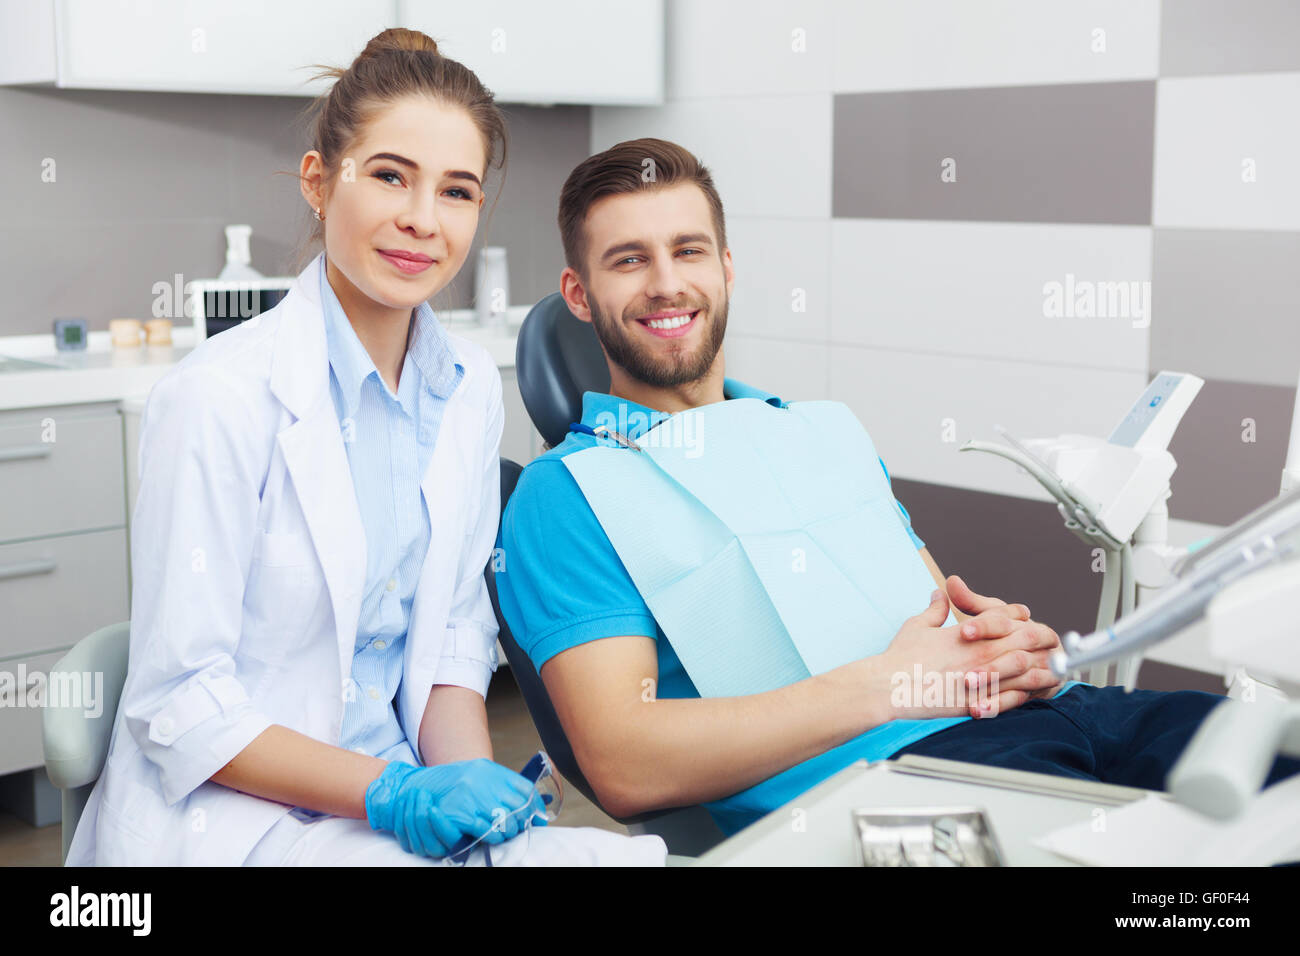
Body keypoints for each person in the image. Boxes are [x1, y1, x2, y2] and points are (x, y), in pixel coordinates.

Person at [495, 137, 1300, 837]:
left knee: (1283, 765)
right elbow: (625, 763)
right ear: (578, 294)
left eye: (689, 250)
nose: (668, 284)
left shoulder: (821, 429)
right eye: (629, 260)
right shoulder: (568, 494)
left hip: (1065, 710)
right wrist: (894, 684)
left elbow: (934, 621)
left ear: (728, 269)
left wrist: (1006, 648)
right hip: (921, 778)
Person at [66, 30, 664, 867]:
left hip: (388, 793)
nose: (422, 219)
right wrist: (392, 795)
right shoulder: (219, 397)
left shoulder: (465, 388)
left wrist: (474, 799)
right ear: (320, 181)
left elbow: (455, 632)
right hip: (231, 813)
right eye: (390, 176)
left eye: (456, 192)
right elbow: (180, 703)